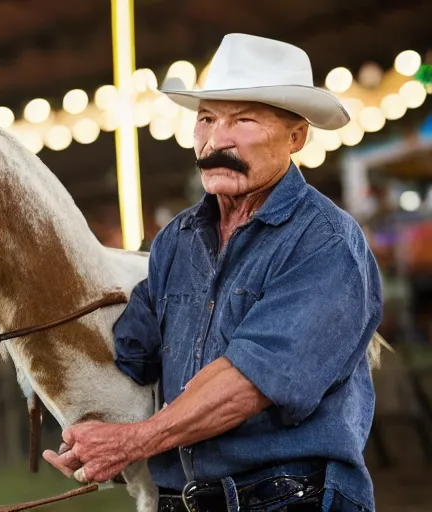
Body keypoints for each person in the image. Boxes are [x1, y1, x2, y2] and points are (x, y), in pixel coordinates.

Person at [43, 34, 384, 512]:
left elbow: (247, 384)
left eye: (243, 120)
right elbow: (129, 353)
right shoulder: (176, 241)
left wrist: (130, 441)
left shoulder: (326, 243)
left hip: (291, 499)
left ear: (296, 137)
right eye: (206, 119)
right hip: (183, 500)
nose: (216, 139)